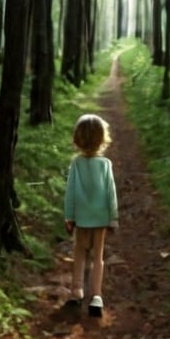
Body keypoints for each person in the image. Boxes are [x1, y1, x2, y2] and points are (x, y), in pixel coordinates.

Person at [64, 112, 118, 317]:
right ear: (102, 139)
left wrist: (69, 216)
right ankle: (96, 296)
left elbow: (70, 192)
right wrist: (113, 217)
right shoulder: (105, 164)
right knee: (98, 256)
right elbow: (110, 192)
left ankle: (76, 291)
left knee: (79, 253)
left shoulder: (76, 164)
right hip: (101, 217)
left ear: (78, 139)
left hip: (81, 216)